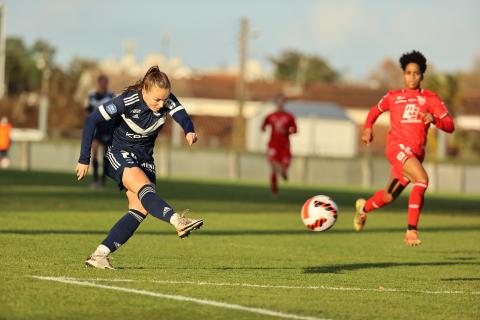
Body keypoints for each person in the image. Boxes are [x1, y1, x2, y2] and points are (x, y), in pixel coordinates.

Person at [76, 66, 203, 269]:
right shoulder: (127, 100)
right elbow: (92, 119)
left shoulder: (166, 100)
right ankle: (177, 220)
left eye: (165, 99)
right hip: (118, 153)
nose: (162, 104)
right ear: (144, 91)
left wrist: (189, 130)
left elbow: (182, 116)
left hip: (145, 158)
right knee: (146, 189)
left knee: (139, 209)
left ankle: (99, 255)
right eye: (157, 100)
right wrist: (85, 158)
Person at [354, 50, 455, 246]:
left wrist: (434, 119)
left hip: (415, 155)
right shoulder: (393, 97)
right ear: (403, 74)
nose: (411, 77)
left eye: (416, 73)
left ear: (422, 75)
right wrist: (367, 128)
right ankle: (411, 231)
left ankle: (363, 208)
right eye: (408, 73)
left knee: (389, 196)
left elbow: (450, 126)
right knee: (422, 180)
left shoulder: (431, 99)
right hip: (396, 147)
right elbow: (374, 111)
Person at [261, 94, 297, 195]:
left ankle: (283, 172)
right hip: (273, 144)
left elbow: (295, 130)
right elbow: (263, 126)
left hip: (285, 145)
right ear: (276, 103)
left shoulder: (289, 116)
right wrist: (263, 128)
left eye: (282, 102)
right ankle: (274, 189)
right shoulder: (270, 116)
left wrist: (287, 132)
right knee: (273, 167)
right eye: (278, 102)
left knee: (284, 165)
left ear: (284, 103)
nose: (280, 105)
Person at [85, 75, 115, 188]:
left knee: (105, 156)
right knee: (95, 152)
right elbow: (88, 112)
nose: (103, 85)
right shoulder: (92, 96)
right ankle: (96, 180)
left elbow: (114, 113)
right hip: (96, 129)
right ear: (98, 83)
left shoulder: (111, 96)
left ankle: (103, 182)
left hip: (107, 128)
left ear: (106, 83)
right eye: (101, 83)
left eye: (104, 83)